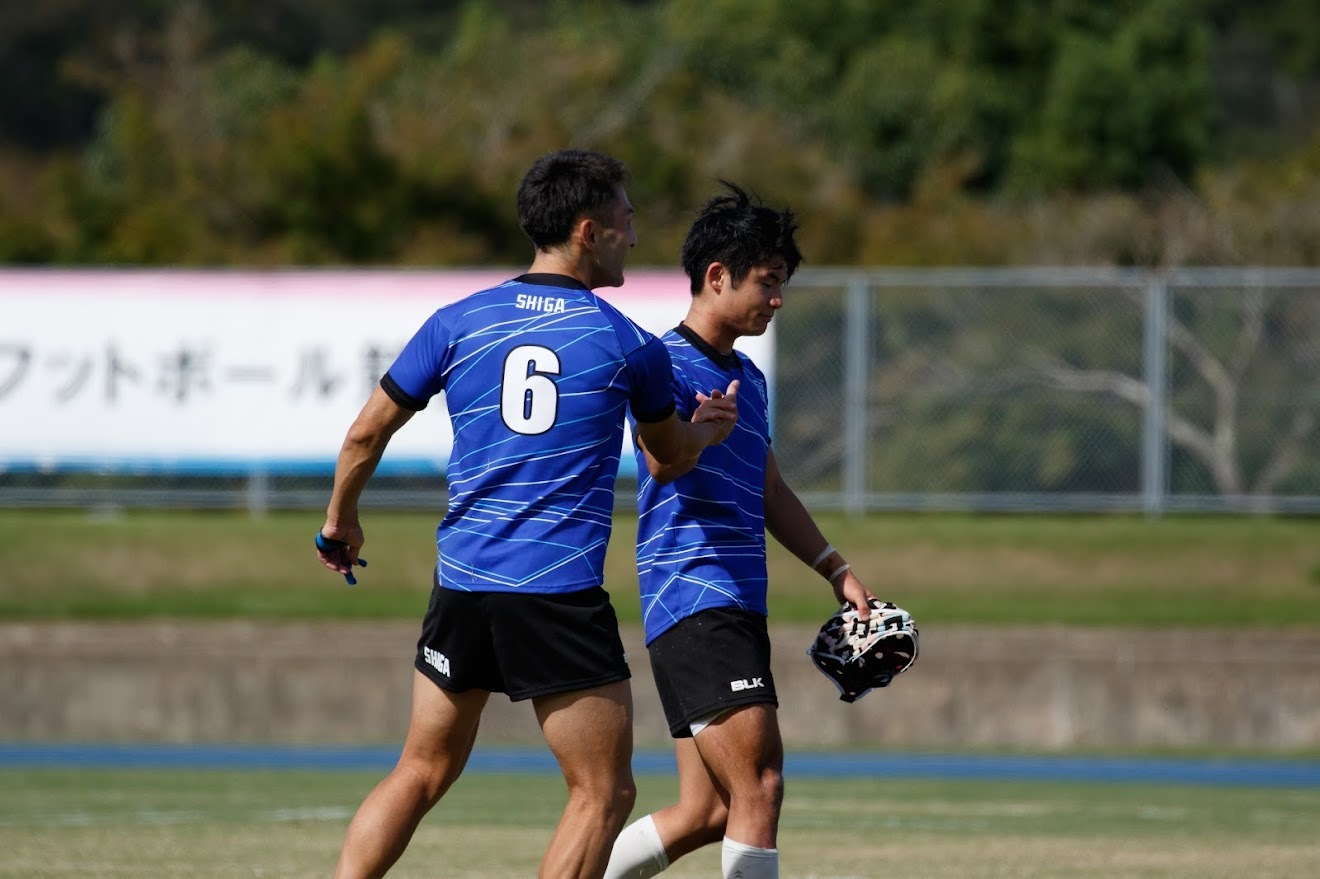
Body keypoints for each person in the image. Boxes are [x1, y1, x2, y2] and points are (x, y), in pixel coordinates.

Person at [315, 149, 741, 879]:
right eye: (626, 220)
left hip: (463, 585)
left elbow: (363, 434)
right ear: (588, 232)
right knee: (604, 792)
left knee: (420, 768)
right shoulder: (628, 343)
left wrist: (339, 522)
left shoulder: (457, 321)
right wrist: (708, 429)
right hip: (554, 593)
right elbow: (669, 458)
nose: (634, 237)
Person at [605, 183, 876, 879]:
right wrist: (698, 433)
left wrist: (836, 568)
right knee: (760, 783)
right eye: (768, 281)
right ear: (718, 275)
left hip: (732, 601)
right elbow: (660, 463)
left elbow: (770, 490)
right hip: (695, 596)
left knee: (708, 811)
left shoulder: (749, 380)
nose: (777, 299)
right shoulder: (662, 362)